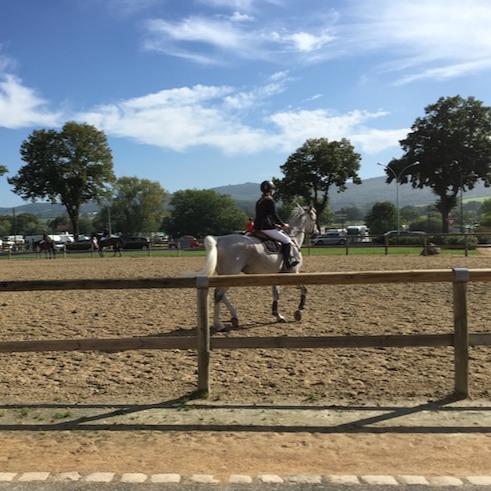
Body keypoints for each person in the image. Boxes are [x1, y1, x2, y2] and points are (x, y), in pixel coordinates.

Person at [254, 180, 299, 269]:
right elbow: (274, 215)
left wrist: (275, 225)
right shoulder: (269, 200)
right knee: (287, 240)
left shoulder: (259, 201)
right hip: (266, 228)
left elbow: (263, 216)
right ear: (270, 190)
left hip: (258, 227)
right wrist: (282, 225)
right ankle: (288, 262)